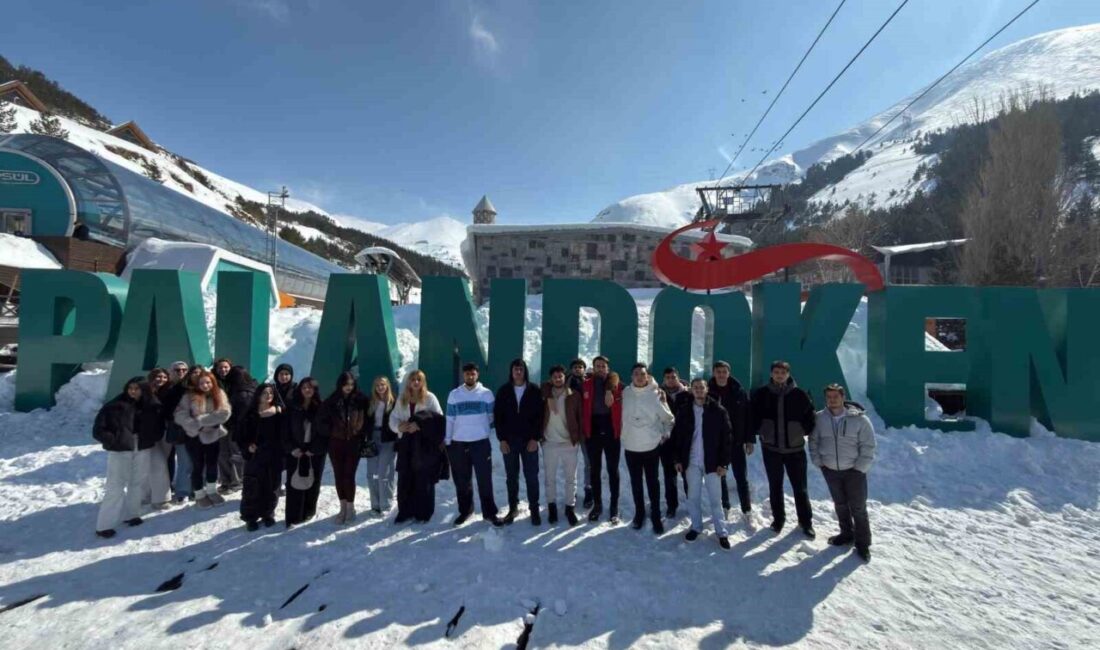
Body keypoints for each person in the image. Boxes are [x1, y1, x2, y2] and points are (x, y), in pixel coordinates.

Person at [810, 384, 876, 562]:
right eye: (829, 397)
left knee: (858, 508)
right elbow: (813, 441)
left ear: (843, 397)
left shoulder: (860, 419)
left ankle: (863, 544)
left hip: (854, 471)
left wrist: (860, 467)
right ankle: (846, 534)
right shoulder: (819, 418)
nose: (832, 400)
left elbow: (868, 445)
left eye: (836, 396)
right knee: (840, 504)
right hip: (830, 470)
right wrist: (818, 461)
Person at [750, 360, 817, 538]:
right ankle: (778, 520)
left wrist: (800, 431)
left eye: (783, 372)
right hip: (771, 449)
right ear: (771, 374)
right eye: (776, 372)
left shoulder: (799, 394)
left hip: (795, 450)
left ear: (788, 374)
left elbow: (810, 418)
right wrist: (762, 431)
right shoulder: (762, 394)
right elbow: (753, 416)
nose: (779, 375)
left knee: (800, 488)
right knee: (775, 486)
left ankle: (806, 522)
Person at [93, 378, 160, 538]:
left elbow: (159, 425)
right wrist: (113, 440)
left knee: (137, 482)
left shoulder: (152, 405)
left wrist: (152, 437)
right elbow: (98, 429)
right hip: (120, 449)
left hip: (142, 447)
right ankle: (104, 525)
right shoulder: (114, 406)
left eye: (137, 388)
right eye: (130, 388)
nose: (133, 391)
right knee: (115, 486)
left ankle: (132, 514)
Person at [673, 378, 733, 549]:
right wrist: (677, 459)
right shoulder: (685, 411)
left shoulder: (718, 410)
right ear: (691, 390)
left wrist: (724, 463)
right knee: (693, 497)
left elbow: (727, 438)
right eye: (695, 387)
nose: (699, 390)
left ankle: (721, 532)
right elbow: (677, 437)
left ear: (707, 389)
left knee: (715, 499)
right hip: (691, 461)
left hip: (712, 463)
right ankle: (696, 527)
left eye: (701, 387)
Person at [620, 363, 674, 534]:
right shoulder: (626, 393)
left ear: (647, 376)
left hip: (651, 446)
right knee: (636, 482)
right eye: (636, 374)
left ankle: (656, 515)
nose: (639, 377)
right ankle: (639, 513)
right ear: (631, 377)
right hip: (631, 446)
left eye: (642, 374)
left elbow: (669, 418)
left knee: (653, 482)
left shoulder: (655, 394)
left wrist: (664, 434)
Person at [445, 362, 502, 526]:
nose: (470, 376)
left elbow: (491, 417)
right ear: (463, 375)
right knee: (462, 481)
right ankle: (465, 511)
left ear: (477, 374)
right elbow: (450, 419)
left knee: (485, 479)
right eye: (467, 374)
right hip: (458, 443)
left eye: (473, 373)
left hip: (480, 443)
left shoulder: (486, 394)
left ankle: (489, 513)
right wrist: (448, 440)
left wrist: (478, 428)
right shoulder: (454, 395)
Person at [390, 370, 446, 523]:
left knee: (423, 477)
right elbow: (393, 418)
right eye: (413, 379)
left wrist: (420, 425)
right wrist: (399, 427)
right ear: (408, 382)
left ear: (423, 382)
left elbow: (439, 419)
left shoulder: (430, 398)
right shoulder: (402, 398)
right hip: (406, 443)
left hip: (424, 444)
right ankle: (405, 511)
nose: (415, 382)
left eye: (418, 380)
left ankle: (424, 512)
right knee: (405, 476)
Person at [494, 358, 545, 525]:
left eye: (521, 369)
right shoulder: (504, 391)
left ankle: (534, 509)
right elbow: (498, 417)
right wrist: (502, 440)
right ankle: (512, 508)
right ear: (511, 372)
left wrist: (535, 438)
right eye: (515, 369)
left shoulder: (534, 390)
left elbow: (540, 417)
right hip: (510, 442)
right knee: (511, 477)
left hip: (529, 441)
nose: (518, 372)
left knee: (532, 476)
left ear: (525, 371)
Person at [174, 370, 232, 509]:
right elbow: (180, 414)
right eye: (202, 383)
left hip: (213, 435)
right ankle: (199, 495)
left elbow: (224, 413)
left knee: (212, 464)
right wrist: (194, 425)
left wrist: (201, 420)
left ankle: (212, 491)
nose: (205, 385)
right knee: (197, 466)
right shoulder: (189, 396)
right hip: (194, 436)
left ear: (213, 382)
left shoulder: (219, 394)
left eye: (208, 382)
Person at [708, 360, 753, 523]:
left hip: (736, 441)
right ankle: (725, 506)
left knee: (741, 477)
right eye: (718, 371)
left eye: (724, 372)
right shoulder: (707, 391)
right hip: (717, 443)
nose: (721, 375)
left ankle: (747, 509)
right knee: (720, 477)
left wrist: (749, 440)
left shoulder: (739, 391)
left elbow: (748, 416)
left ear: (729, 373)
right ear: (714, 373)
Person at [320, 371, 368, 524]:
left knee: (349, 475)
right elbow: (321, 422)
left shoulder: (361, 400)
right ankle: (342, 507)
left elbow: (368, 420)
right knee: (338, 475)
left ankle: (351, 507)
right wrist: (332, 432)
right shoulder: (331, 401)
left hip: (354, 443)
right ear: (340, 384)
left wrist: (360, 433)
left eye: (351, 384)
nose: (349, 387)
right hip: (336, 443)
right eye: (346, 384)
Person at [541, 365, 584, 526]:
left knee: (571, 478)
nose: (558, 379)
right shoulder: (545, 393)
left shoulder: (574, 395)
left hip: (568, 443)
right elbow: (542, 388)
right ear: (550, 379)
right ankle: (551, 507)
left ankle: (569, 507)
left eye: (560, 376)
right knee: (549, 478)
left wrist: (578, 437)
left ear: (565, 378)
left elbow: (580, 417)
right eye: (555, 377)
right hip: (550, 442)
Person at [237, 383, 283, 530]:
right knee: (252, 487)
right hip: (255, 457)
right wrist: (247, 446)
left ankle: (268, 513)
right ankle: (250, 517)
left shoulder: (279, 413)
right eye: (265, 393)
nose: (268, 395)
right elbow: (239, 435)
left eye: (271, 393)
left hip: (273, 455)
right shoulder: (250, 414)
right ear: (258, 395)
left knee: (272, 487)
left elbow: (284, 434)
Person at [582, 356, 623, 523]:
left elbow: (641, 385)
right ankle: (597, 505)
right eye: (597, 366)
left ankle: (614, 506)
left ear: (608, 368)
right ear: (593, 368)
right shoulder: (585, 385)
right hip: (593, 431)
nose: (600, 368)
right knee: (594, 470)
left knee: (613, 470)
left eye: (603, 366)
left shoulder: (617, 385)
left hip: (611, 430)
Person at [284, 377, 326, 528]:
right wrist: (292, 448)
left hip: (314, 451)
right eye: (304, 387)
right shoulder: (292, 406)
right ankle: (294, 515)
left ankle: (308, 511)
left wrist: (314, 449)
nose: (307, 390)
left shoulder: (321, 407)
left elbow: (325, 431)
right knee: (294, 483)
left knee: (313, 481)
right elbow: (285, 431)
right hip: (296, 450)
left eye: (310, 387)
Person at [162, 362, 198, 504]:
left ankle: (194, 488)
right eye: (177, 370)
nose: (181, 372)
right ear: (171, 372)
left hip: (195, 430)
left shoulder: (193, 387)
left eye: (184, 369)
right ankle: (182, 491)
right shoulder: (171, 389)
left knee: (195, 461)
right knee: (185, 461)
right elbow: (167, 411)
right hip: (179, 431)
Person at [659, 367, 691, 518]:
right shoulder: (658, 394)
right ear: (664, 379)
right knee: (669, 475)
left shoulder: (688, 394)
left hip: (684, 440)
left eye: (673, 377)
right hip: (666, 440)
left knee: (687, 475)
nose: (671, 380)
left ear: (678, 378)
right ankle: (671, 506)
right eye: (667, 377)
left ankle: (692, 503)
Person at [366, 376, 398, 516]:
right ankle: (375, 504)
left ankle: (386, 504)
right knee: (372, 473)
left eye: (383, 385)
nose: (380, 387)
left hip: (388, 439)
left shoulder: (394, 401)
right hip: (373, 437)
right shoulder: (370, 401)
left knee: (385, 472)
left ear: (387, 386)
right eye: (378, 385)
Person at [216, 361, 248, 495]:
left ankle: (237, 481)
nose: (223, 370)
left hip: (235, 425)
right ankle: (226, 481)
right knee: (222, 453)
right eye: (220, 367)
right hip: (221, 424)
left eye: (226, 367)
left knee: (235, 453)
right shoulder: (215, 382)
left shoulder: (243, 386)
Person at [144, 367, 173, 510]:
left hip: (164, 432)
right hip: (148, 434)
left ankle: (147, 494)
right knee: (158, 464)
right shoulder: (144, 392)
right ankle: (161, 499)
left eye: (164, 377)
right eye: (158, 377)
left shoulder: (169, 391)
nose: (162, 379)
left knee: (157, 464)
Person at [569, 358, 594, 509]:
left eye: (580, 367)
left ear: (584, 369)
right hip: (569, 430)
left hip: (585, 429)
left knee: (588, 463)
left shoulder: (590, 382)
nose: (578, 369)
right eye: (575, 367)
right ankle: (570, 492)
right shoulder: (565, 382)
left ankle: (588, 491)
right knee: (570, 464)